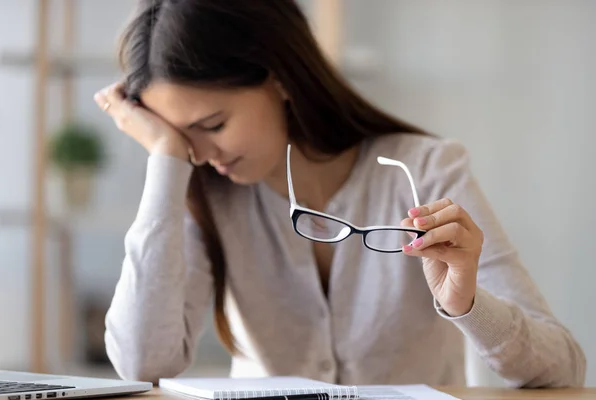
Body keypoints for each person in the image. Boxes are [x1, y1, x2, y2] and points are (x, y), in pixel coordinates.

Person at [94, 0, 585, 388]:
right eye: (179, 137)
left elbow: (562, 370)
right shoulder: (201, 188)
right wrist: (164, 159)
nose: (199, 153)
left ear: (280, 78)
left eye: (212, 125)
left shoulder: (426, 170)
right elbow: (143, 362)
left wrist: (468, 304)